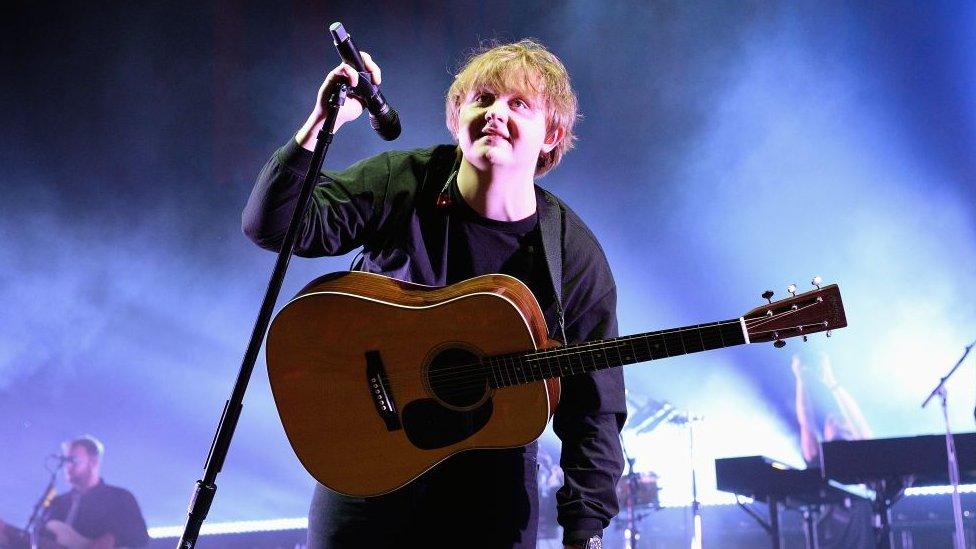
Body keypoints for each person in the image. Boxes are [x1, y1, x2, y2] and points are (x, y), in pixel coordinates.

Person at [243, 39, 626, 549]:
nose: (495, 114)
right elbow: (273, 225)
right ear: (457, 115)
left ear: (551, 134)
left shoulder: (570, 254)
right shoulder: (406, 181)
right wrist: (322, 123)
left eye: (518, 105)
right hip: (365, 466)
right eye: (483, 99)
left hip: (488, 494)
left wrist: (586, 528)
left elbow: (594, 407)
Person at [0, 436, 150, 549]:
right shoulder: (57, 504)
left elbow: (140, 537)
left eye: (73, 460)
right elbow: (38, 542)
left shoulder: (119, 498)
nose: (67, 466)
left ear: (94, 462)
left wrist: (112, 538)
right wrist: (7, 532)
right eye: (66, 460)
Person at [792, 352, 874, 549]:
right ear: (825, 433)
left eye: (844, 421)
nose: (840, 422)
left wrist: (832, 382)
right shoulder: (818, 461)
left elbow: (860, 428)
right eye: (833, 421)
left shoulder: (865, 462)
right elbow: (806, 420)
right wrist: (800, 379)